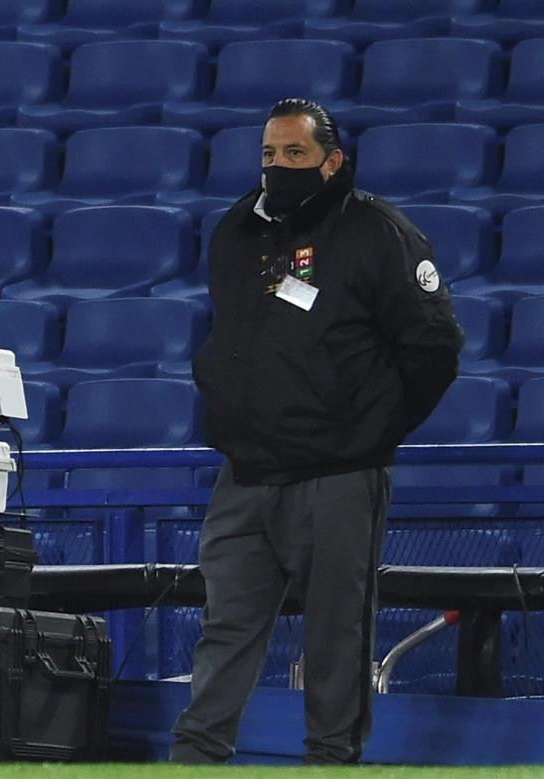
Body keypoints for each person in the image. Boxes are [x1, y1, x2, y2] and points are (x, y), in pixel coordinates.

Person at [169, 98, 464, 764]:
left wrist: (368, 430)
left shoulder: (377, 232)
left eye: (294, 154)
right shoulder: (238, 230)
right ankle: (193, 759)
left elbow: (435, 345)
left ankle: (331, 762)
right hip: (245, 473)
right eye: (269, 155)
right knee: (225, 629)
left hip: (339, 475)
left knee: (336, 636)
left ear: (333, 161)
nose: (278, 167)